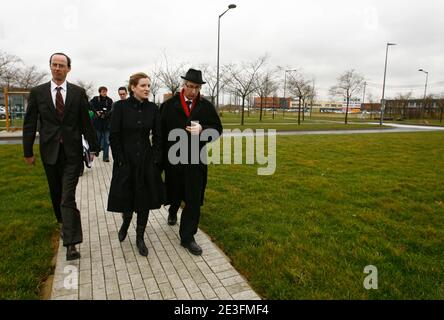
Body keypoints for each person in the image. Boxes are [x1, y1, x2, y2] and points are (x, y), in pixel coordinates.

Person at [23, 52, 99, 261]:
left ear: (68, 69)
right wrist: (27, 151)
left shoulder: (78, 92)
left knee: (67, 197)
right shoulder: (38, 93)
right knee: (56, 195)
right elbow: (30, 124)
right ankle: (63, 223)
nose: (57, 68)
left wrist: (94, 146)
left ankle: (71, 243)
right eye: (54, 65)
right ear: (50, 67)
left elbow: (85, 121)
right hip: (49, 153)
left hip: (72, 154)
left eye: (61, 65)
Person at [160, 68, 222, 256]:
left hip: (196, 161)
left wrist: (203, 130)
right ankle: (172, 210)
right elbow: (160, 133)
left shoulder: (206, 106)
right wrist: (160, 159)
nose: (193, 91)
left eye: (196, 87)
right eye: (189, 86)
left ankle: (188, 237)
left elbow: (218, 129)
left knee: (193, 198)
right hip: (173, 159)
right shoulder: (168, 105)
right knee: (175, 192)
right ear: (183, 85)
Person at [107, 72, 164, 257]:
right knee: (127, 195)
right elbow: (114, 135)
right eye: (143, 86)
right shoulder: (120, 107)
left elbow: (158, 136)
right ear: (133, 87)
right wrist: (120, 159)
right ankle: (126, 220)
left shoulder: (153, 109)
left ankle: (140, 237)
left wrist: (156, 159)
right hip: (126, 160)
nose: (147, 89)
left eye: (149, 85)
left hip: (146, 161)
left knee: (144, 200)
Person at [90, 86, 113, 162]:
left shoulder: (109, 100)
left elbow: (111, 110)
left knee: (107, 141)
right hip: (97, 123)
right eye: (103, 91)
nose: (104, 93)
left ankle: (105, 157)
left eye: (105, 91)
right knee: (98, 140)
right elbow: (90, 105)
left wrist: (105, 114)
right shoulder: (95, 99)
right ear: (100, 92)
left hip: (106, 124)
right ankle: (97, 150)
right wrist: (96, 112)